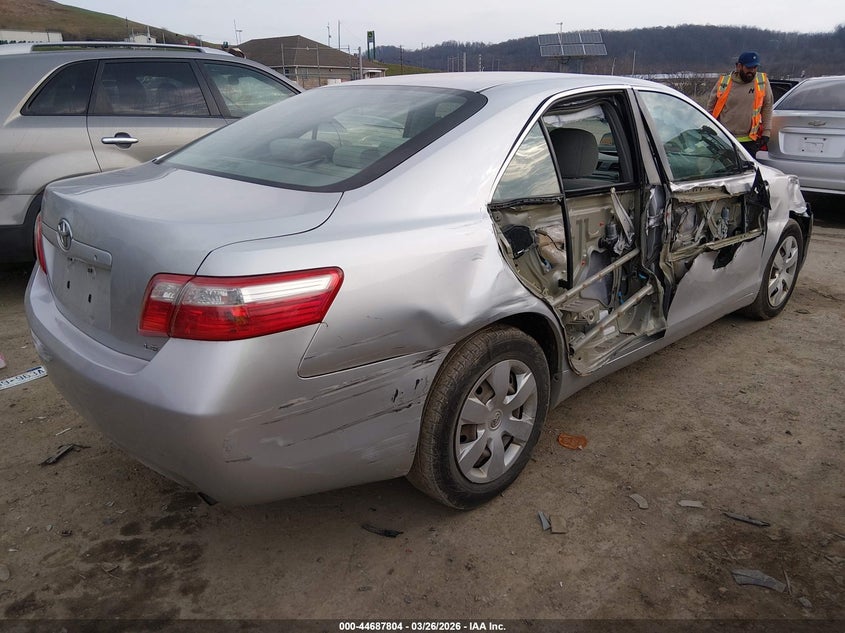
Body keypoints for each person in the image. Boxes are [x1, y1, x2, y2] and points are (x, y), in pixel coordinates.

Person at [706, 51, 774, 157]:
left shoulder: (762, 82)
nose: (752, 71)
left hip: (750, 141)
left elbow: (767, 107)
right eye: (748, 68)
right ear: (739, 66)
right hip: (725, 138)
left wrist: (766, 132)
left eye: (755, 67)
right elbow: (710, 108)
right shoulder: (724, 82)